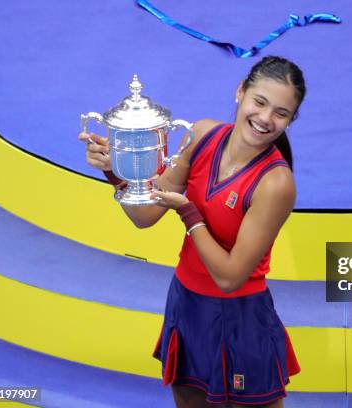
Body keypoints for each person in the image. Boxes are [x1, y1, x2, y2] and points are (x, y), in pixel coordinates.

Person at [78, 56, 305, 407]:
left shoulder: (276, 184)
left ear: (291, 120)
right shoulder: (200, 135)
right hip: (187, 305)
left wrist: (188, 212)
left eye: (281, 113)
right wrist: (119, 172)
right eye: (259, 102)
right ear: (240, 92)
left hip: (241, 318)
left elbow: (230, 277)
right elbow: (145, 215)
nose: (265, 119)